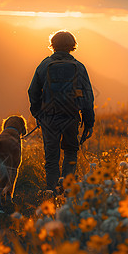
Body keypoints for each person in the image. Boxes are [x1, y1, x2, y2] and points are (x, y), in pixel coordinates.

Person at [28, 30, 95, 194]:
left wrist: (38, 114)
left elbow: (32, 92)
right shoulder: (79, 67)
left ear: (53, 45)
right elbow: (87, 97)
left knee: (52, 156)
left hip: (49, 118)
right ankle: (66, 189)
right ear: (72, 46)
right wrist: (89, 122)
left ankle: (51, 191)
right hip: (71, 117)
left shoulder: (44, 65)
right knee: (71, 151)